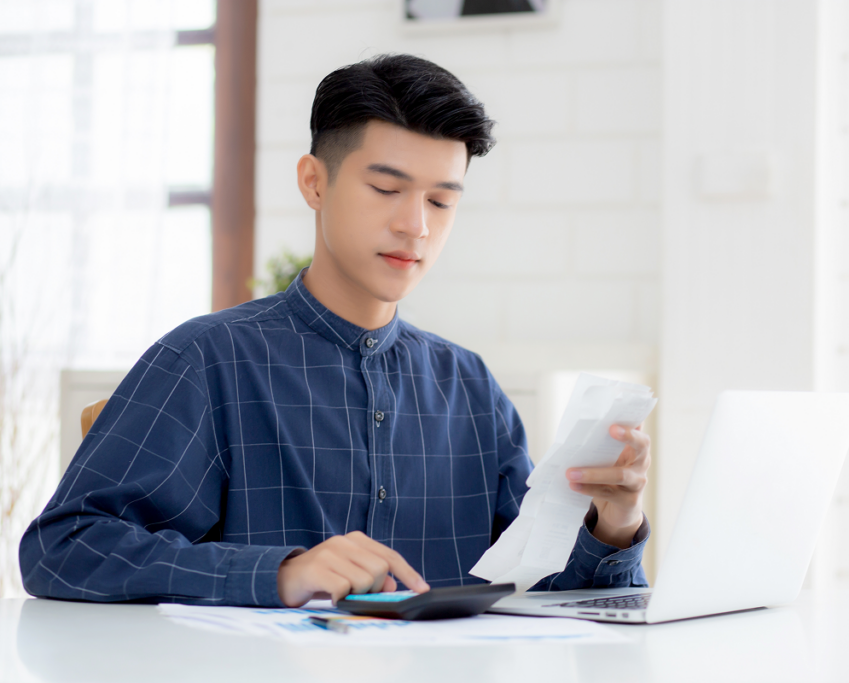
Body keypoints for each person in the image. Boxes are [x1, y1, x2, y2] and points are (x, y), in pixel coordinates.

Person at [20, 54, 652, 608]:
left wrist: (614, 524)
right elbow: (62, 548)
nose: (416, 226)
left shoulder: (470, 387)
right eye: (386, 188)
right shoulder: (207, 360)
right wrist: (280, 574)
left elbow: (539, 590)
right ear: (314, 182)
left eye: (441, 201)